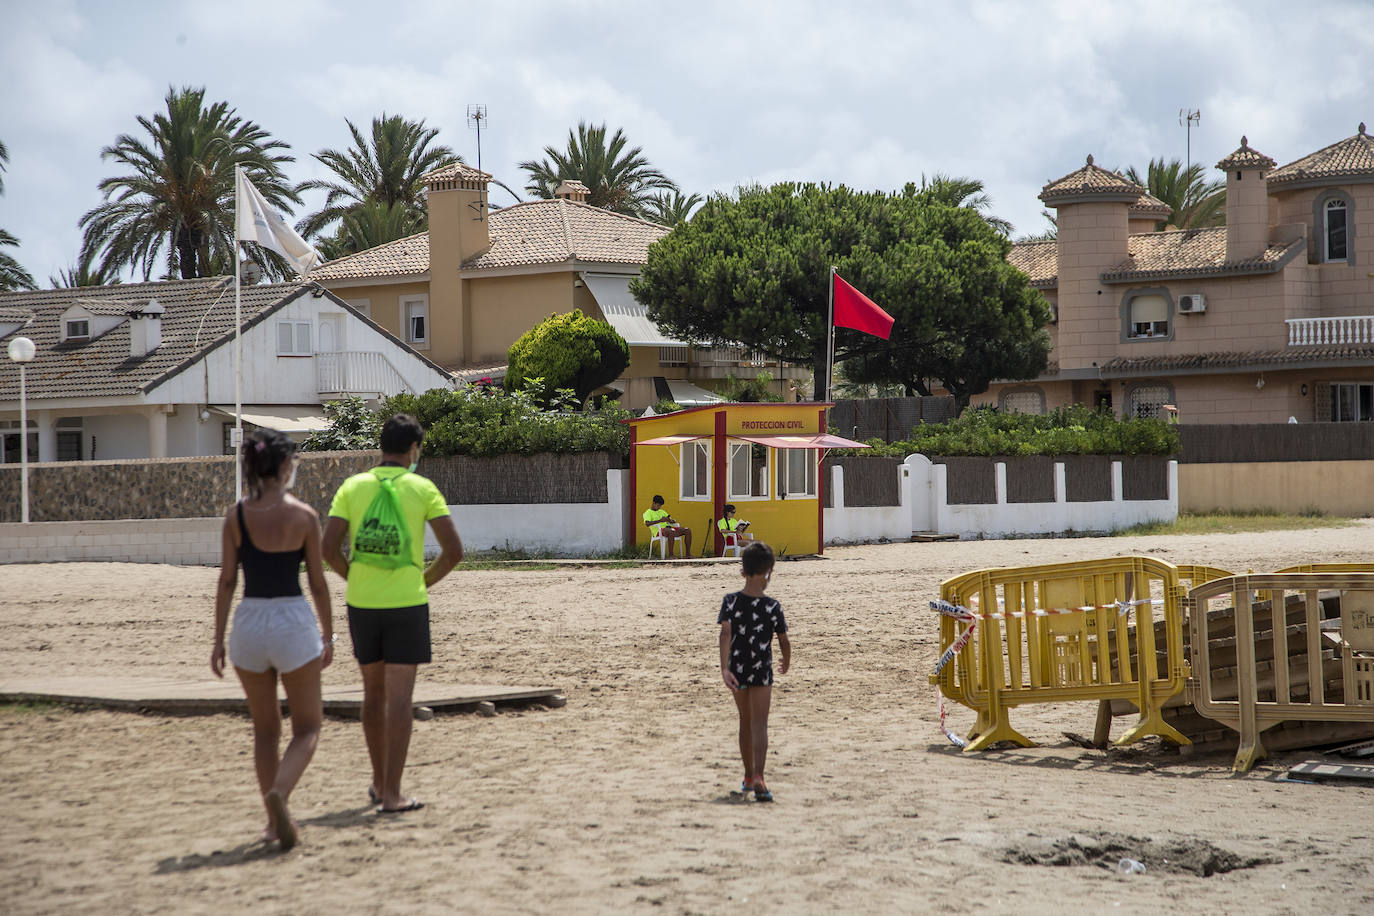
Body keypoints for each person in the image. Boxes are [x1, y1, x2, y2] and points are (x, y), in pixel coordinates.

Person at [322, 414, 463, 815]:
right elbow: (454, 552)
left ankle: (379, 781)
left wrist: (355, 577)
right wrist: (422, 581)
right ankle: (393, 795)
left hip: (362, 604)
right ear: (414, 449)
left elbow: (327, 548)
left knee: (372, 696)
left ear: (381, 446)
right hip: (406, 603)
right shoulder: (422, 488)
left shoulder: (353, 487)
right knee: (400, 700)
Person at [212, 428, 334, 851]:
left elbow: (227, 581)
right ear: (284, 466)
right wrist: (330, 634)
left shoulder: (236, 516)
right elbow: (317, 584)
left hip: (248, 621)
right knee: (308, 727)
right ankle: (281, 793)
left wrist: (217, 640)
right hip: (292, 621)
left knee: (265, 731)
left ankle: (270, 823)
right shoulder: (304, 517)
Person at [718, 541, 790, 802]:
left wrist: (724, 668)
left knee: (744, 721)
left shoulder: (730, 601)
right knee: (760, 723)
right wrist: (787, 660)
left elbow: (725, 634)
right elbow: (783, 640)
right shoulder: (772, 606)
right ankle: (760, 775)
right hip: (762, 670)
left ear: (742, 571)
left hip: (737, 668)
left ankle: (748, 775)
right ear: (769, 571)